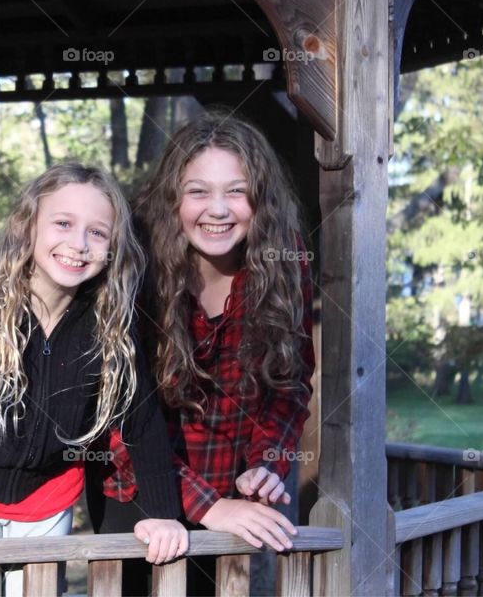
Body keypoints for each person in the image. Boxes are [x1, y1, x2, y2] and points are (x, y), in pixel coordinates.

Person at [0, 163, 188, 596]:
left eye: (97, 232)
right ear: (28, 224)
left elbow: (142, 422)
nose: (78, 243)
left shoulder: (110, 319)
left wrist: (164, 512)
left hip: (48, 502)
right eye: (63, 223)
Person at [89, 112, 315, 595]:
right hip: (135, 492)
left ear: (261, 200)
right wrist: (209, 505)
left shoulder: (283, 262)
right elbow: (112, 415)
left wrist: (266, 463)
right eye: (198, 191)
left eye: (236, 191)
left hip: (229, 496)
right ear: (173, 199)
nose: (218, 209)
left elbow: (290, 383)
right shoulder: (136, 268)